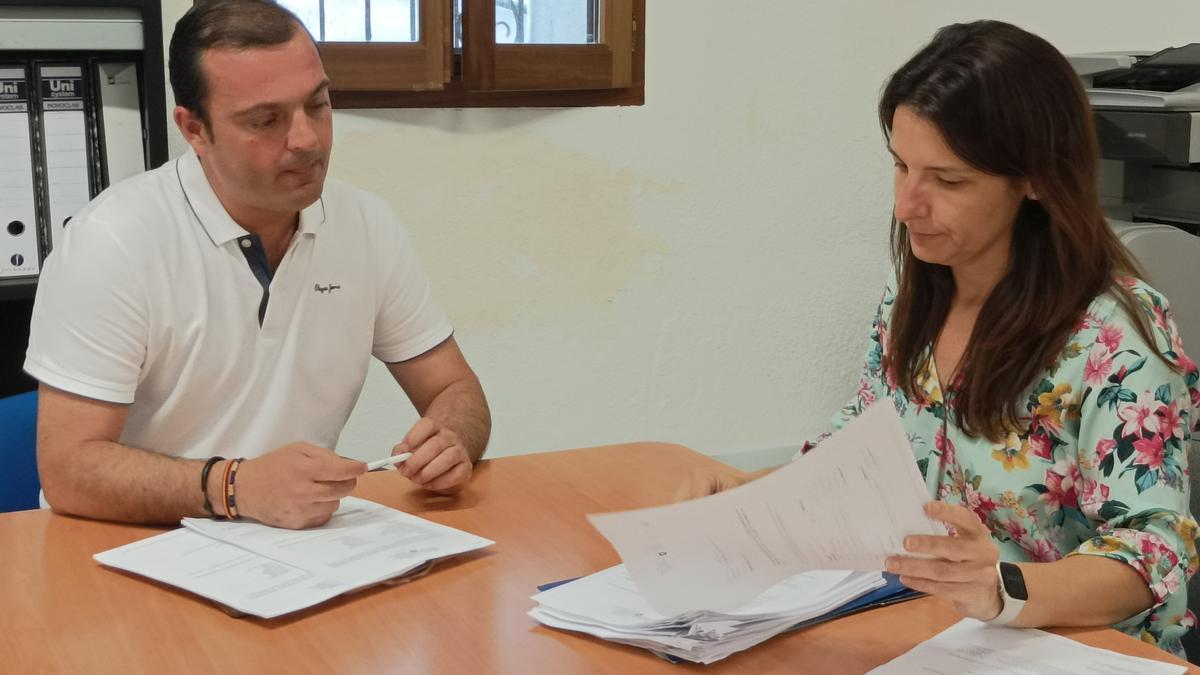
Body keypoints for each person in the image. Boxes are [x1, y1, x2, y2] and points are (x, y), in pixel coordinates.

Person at [679, 20, 1199, 655]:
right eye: (900, 166)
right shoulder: (915, 297)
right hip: (928, 631)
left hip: (1071, 651)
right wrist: (757, 495)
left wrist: (1004, 588)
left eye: (947, 181)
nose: (906, 204)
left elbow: (1152, 550)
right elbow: (863, 449)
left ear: (1034, 180)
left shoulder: (1116, 339)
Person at [24, 0, 490, 530]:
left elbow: (455, 390)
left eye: (317, 105)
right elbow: (68, 469)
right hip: (124, 546)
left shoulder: (365, 224)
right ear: (194, 129)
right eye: (265, 120)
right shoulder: (112, 243)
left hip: (290, 551)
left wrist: (453, 438)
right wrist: (235, 486)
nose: (307, 140)